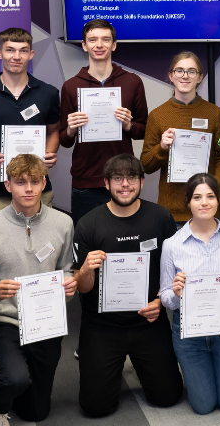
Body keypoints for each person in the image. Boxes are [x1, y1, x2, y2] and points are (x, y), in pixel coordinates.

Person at [72, 154, 184, 416]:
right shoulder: (88, 223)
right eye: (118, 178)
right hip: (102, 326)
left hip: (148, 321)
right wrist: (86, 270)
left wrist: (159, 302)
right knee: (95, 408)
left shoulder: (161, 218)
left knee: (168, 397)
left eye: (132, 177)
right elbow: (83, 288)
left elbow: (172, 271)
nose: (125, 184)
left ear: (142, 182)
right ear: (106, 183)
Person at [0, 154, 76, 425]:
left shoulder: (63, 223)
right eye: (20, 182)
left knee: (36, 413)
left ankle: (1, 377)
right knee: (15, 379)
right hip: (5, 319)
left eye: (34, 181)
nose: (28, 188)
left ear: (44, 184)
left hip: (45, 320)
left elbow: (65, 267)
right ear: (8, 186)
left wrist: (68, 284)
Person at [159, 173, 220, 414]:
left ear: (218, 201)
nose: (204, 202)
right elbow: (166, 296)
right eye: (197, 197)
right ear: (188, 202)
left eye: (210, 196)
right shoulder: (172, 245)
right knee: (203, 405)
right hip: (189, 330)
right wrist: (176, 293)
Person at [0, 27, 60, 220]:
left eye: (23, 50)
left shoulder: (48, 93)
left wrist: (49, 154)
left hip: (37, 189)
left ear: (31, 54)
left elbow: (54, 132)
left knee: (41, 245)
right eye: (10, 50)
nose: (16, 56)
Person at [58, 19, 148, 224]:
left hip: (123, 179)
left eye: (105, 39)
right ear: (84, 45)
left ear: (114, 45)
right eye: (93, 40)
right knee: (88, 243)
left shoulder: (132, 81)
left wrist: (128, 125)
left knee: (125, 238)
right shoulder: (71, 86)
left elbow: (143, 130)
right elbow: (64, 140)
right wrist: (71, 129)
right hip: (86, 180)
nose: (99, 45)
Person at [140, 52, 220, 226]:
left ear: (200, 78)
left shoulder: (214, 113)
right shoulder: (157, 115)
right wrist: (161, 147)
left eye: (192, 71)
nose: (185, 75)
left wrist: (213, 188)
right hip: (171, 214)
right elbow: (145, 164)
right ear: (171, 76)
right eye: (179, 70)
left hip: (208, 210)